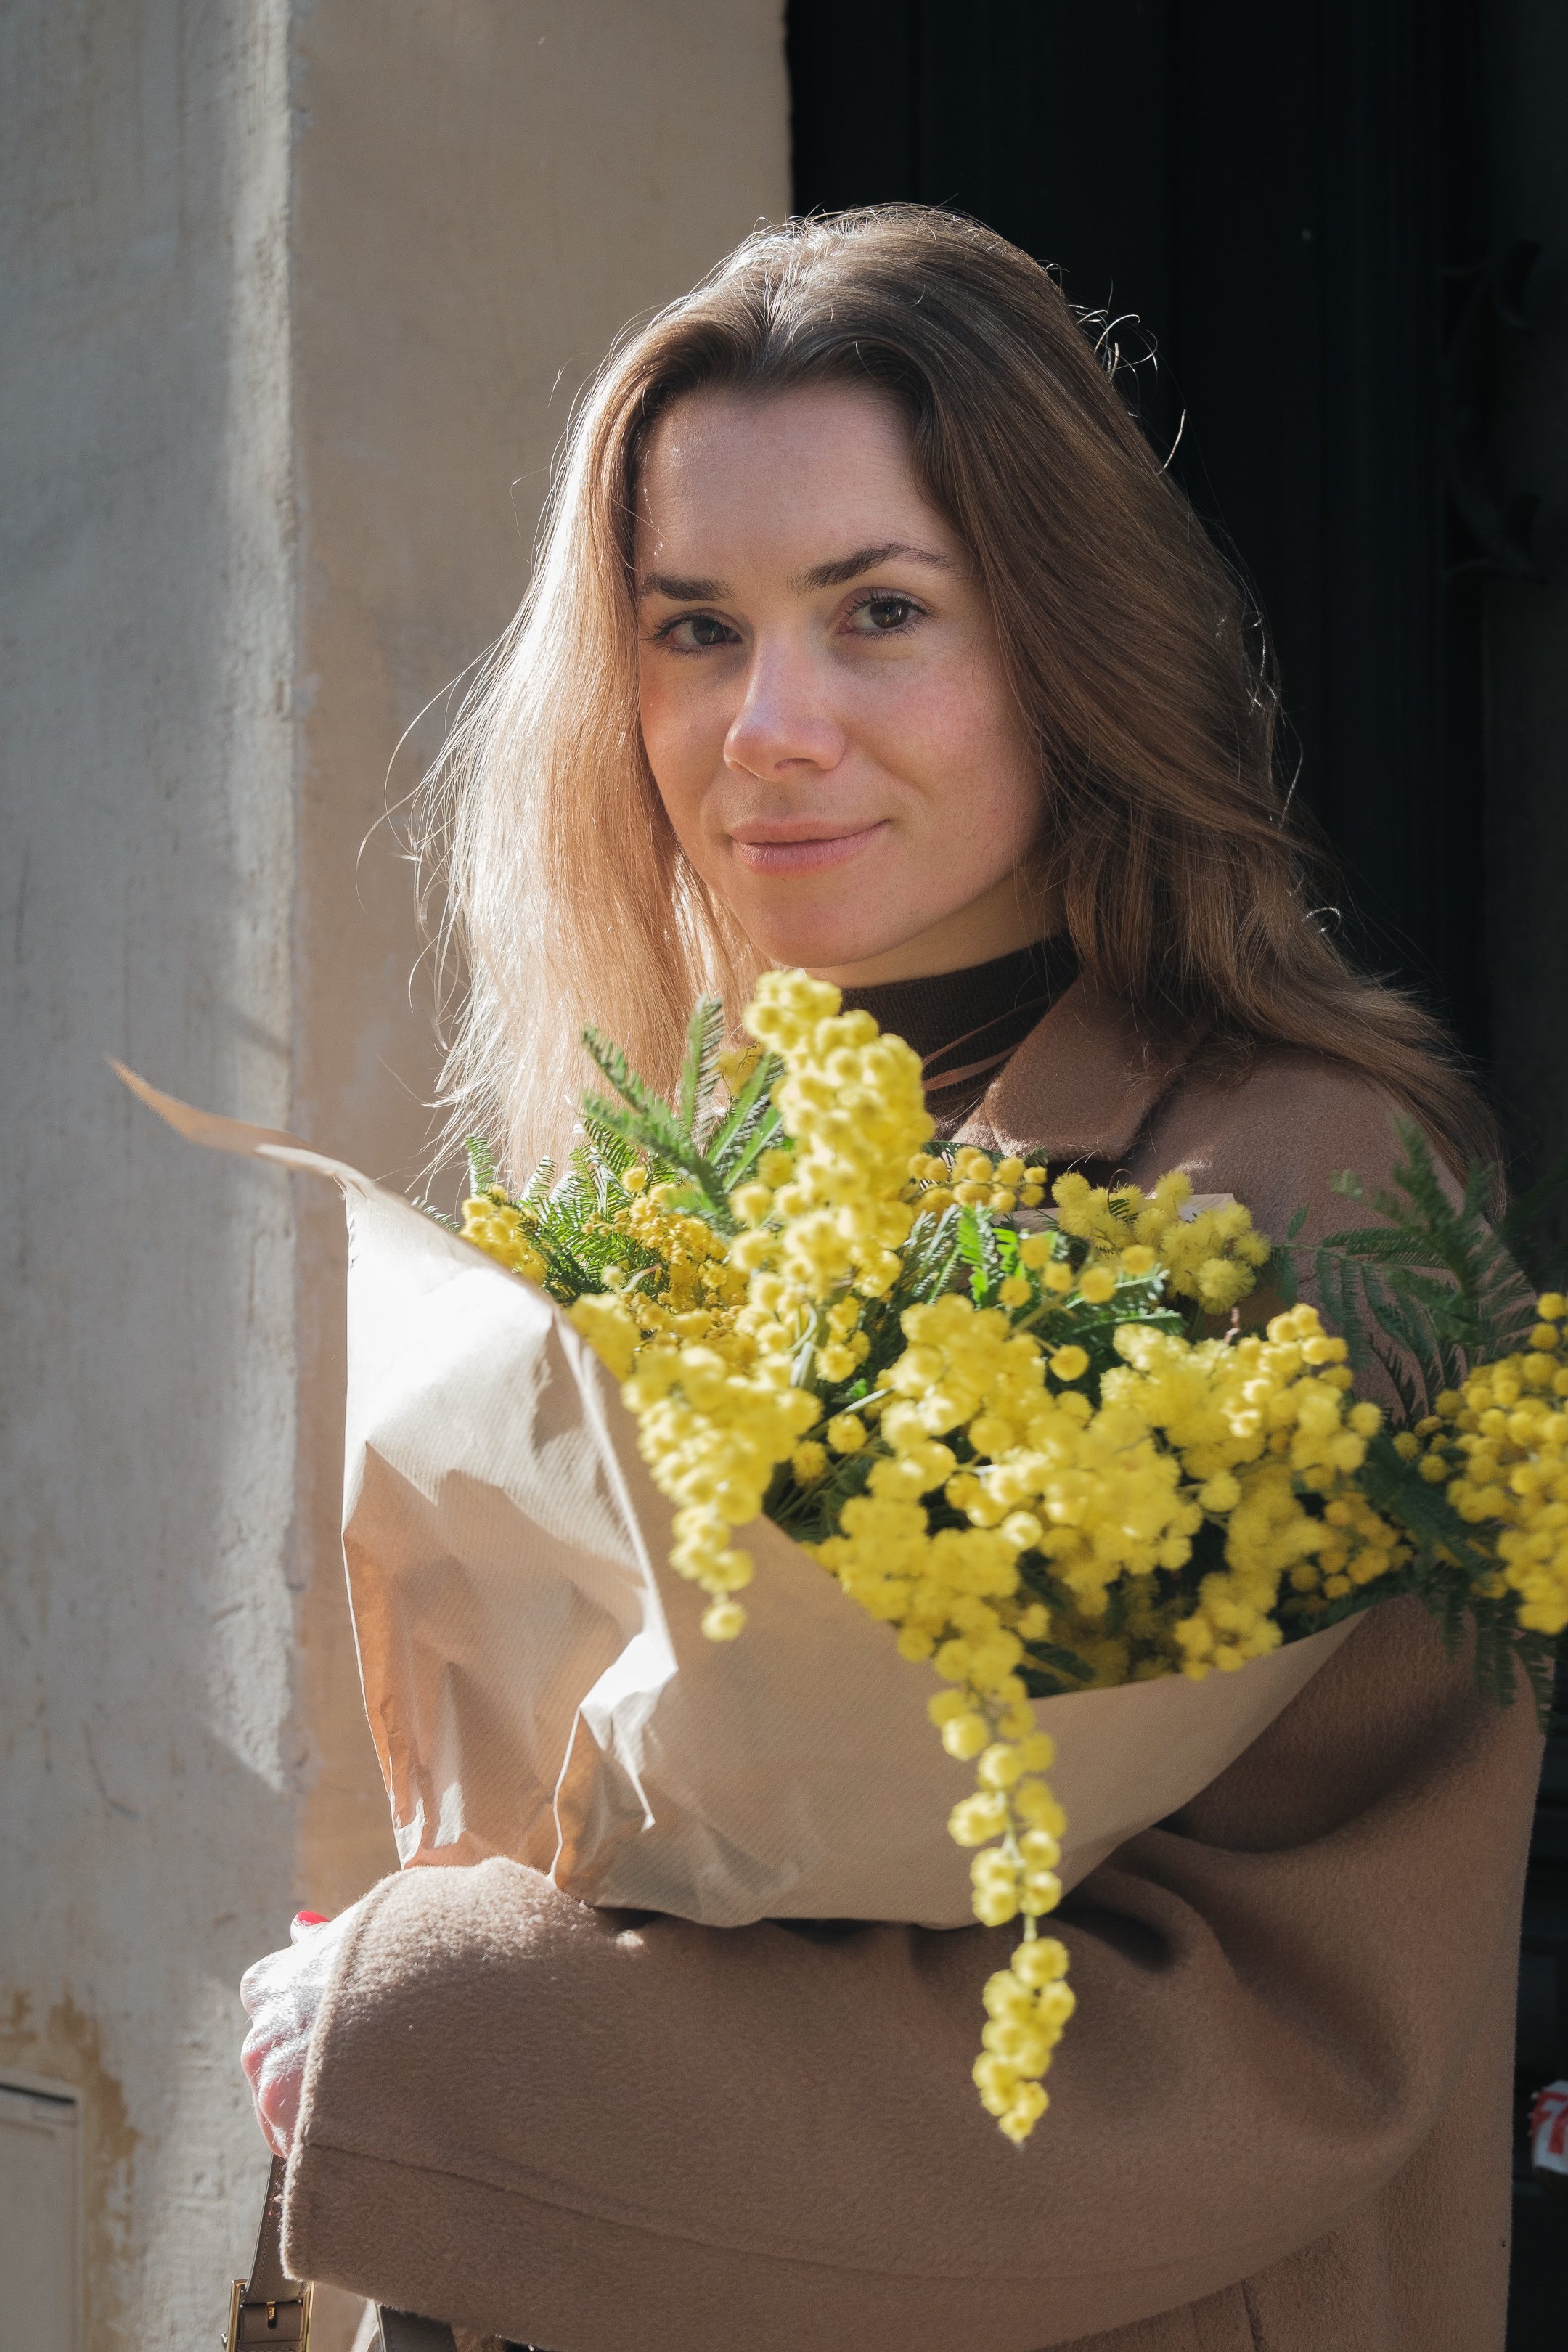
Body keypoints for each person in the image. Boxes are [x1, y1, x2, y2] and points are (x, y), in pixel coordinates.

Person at [240, 209, 1543, 2351]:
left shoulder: (1305, 1191)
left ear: (1062, 639)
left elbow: (1268, 2044)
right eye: (692, 629)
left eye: (878, 612)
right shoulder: (651, 1178)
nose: (768, 723)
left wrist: (425, 2033)